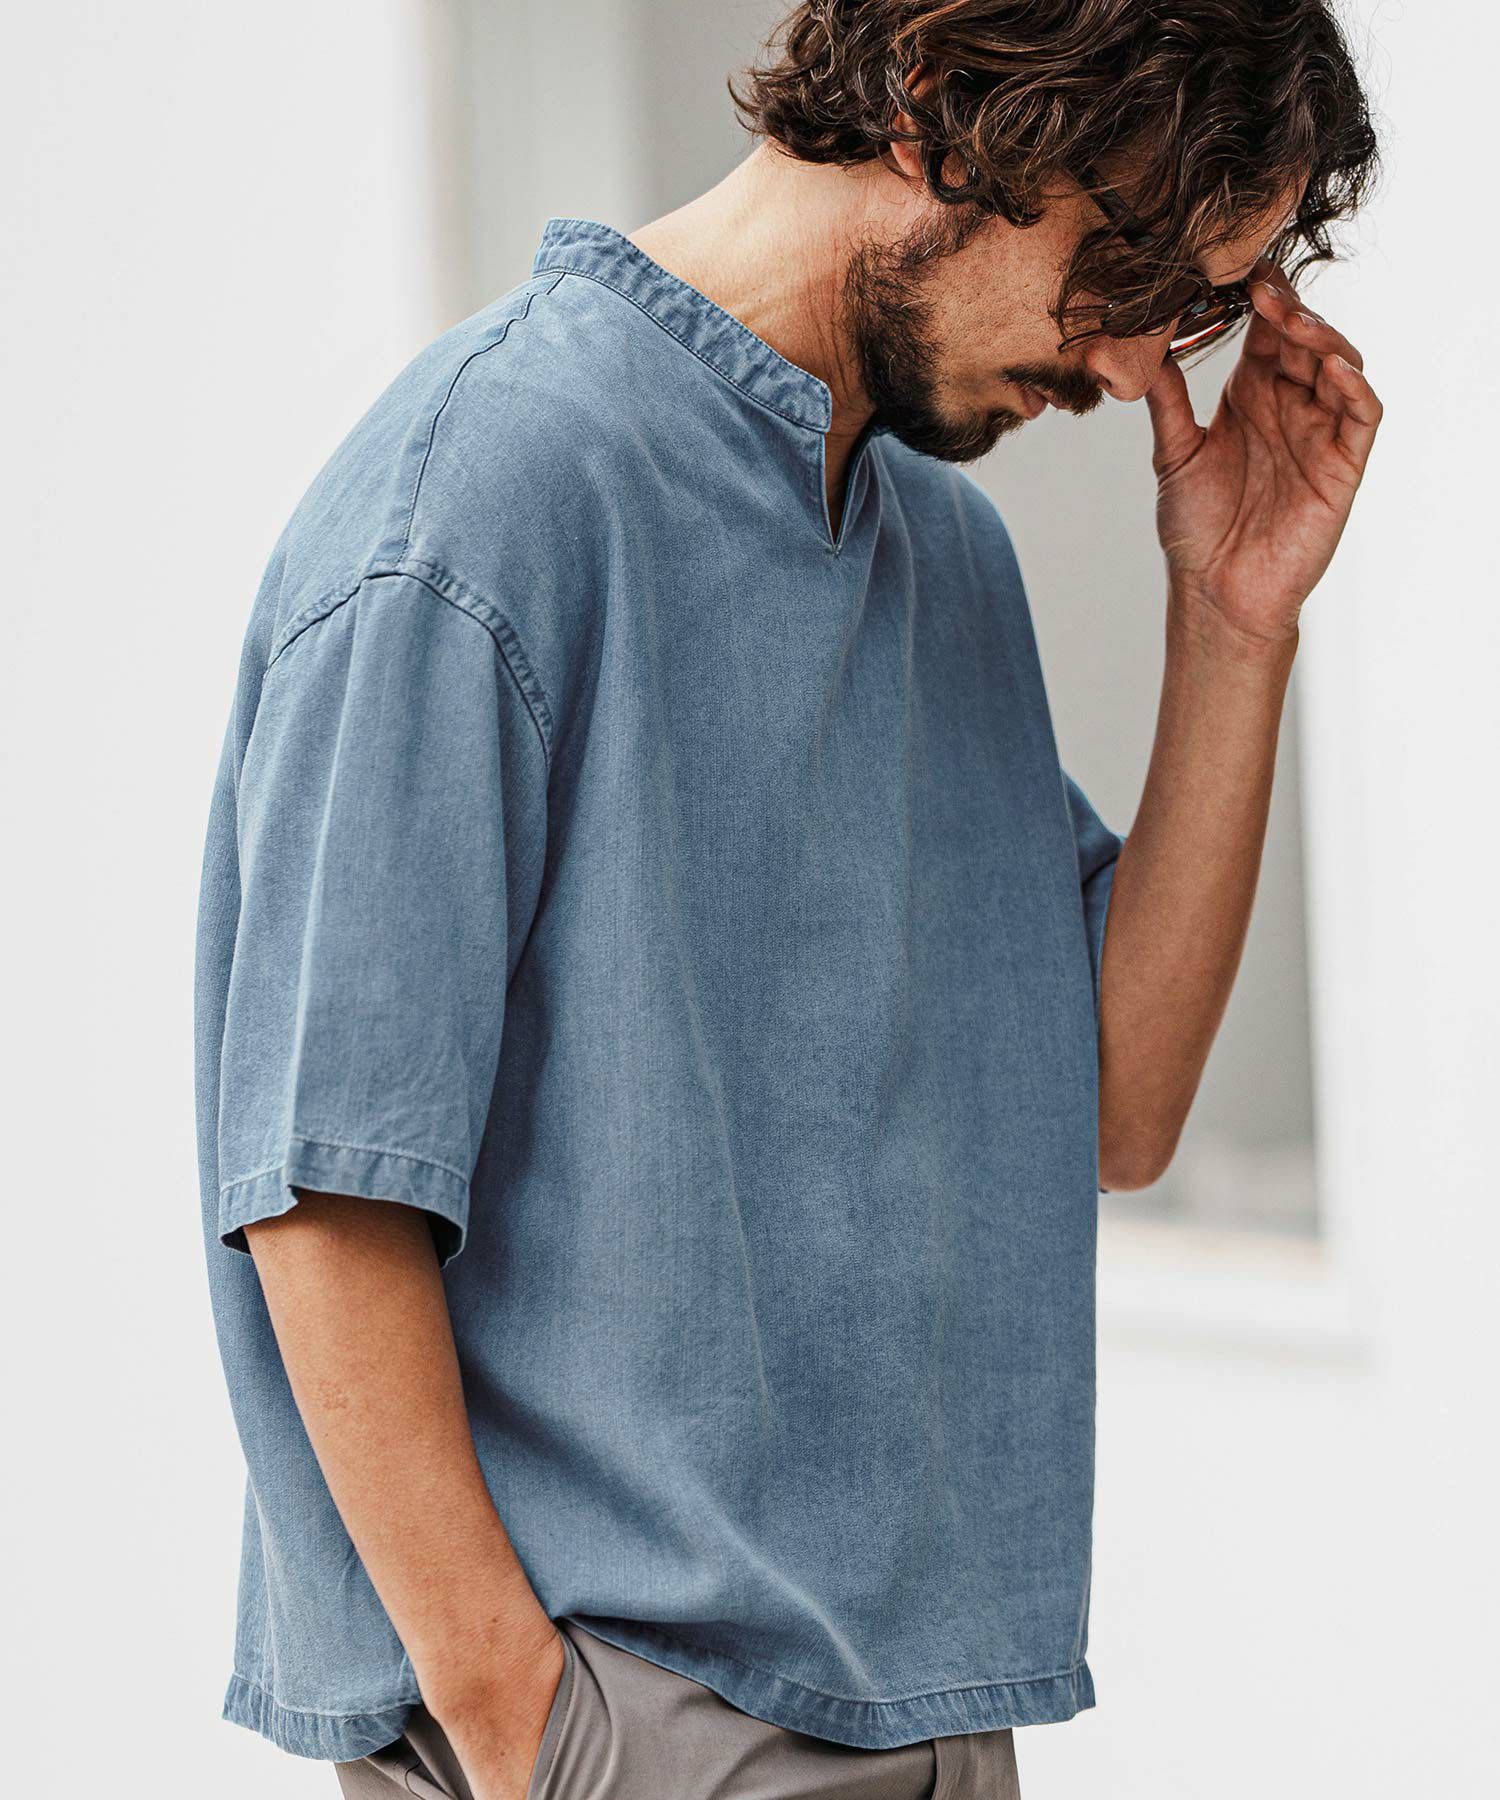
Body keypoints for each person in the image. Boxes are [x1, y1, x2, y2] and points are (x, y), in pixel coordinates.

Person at [193, 3, 1382, 1795]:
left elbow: (1118, 1107)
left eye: (1196, 311)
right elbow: (324, 1186)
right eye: (1131, 265)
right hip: (628, 1716)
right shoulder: (482, 496)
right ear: (939, 100)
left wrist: (1232, 623)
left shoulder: (942, 553)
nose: (1140, 364)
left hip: (925, 1707)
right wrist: (534, 1738)